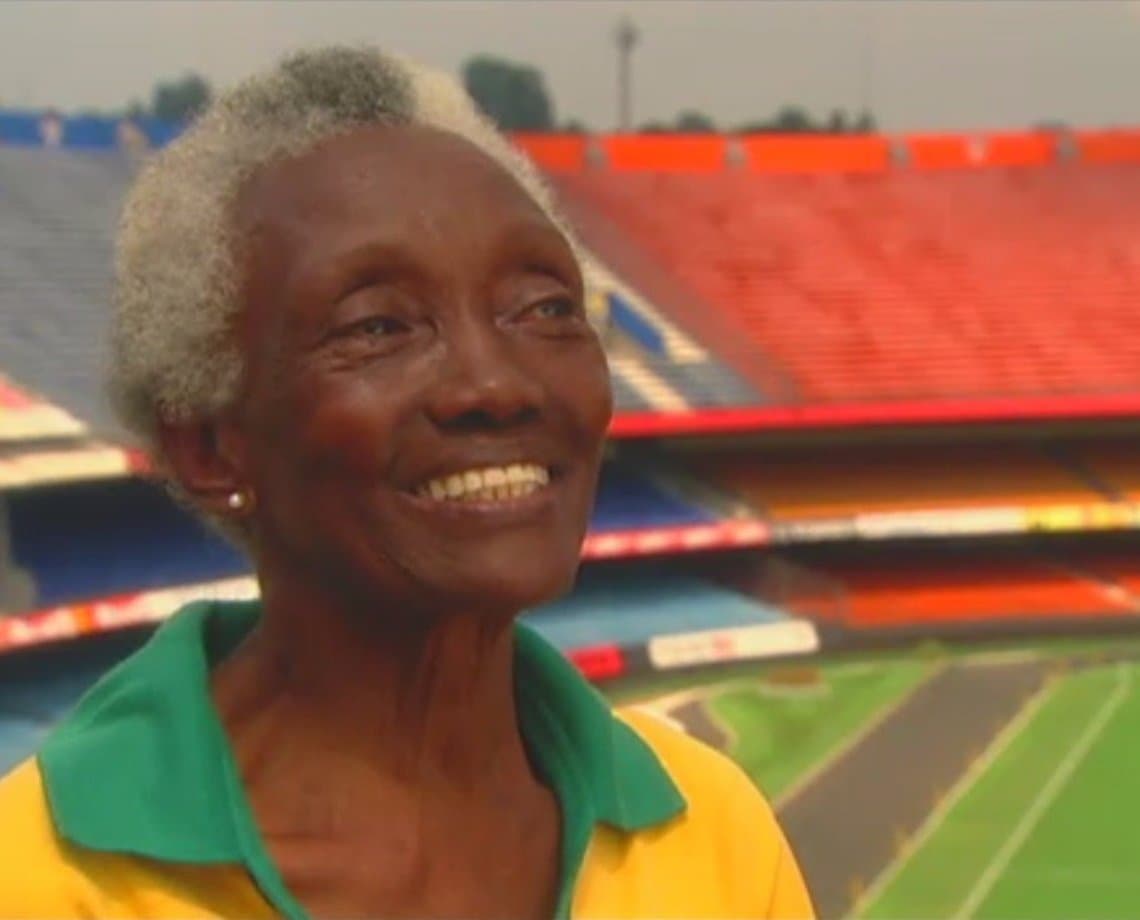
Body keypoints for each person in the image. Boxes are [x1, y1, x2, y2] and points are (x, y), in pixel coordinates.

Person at [0, 46, 813, 919]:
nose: (496, 385)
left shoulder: (712, 836)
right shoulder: (41, 881)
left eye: (543, 308)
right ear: (208, 444)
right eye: (379, 325)